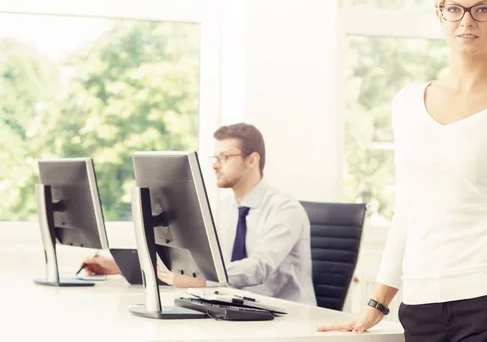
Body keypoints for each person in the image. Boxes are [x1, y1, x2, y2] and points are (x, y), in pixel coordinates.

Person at [318, 0, 487, 341]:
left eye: (482, 9)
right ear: (440, 16)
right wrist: (376, 304)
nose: (466, 20)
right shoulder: (407, 104)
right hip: (420, 311)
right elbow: (409, 211)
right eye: (453, 9)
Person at [82, 123, 317, 305]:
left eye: (224, 157)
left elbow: (258, 268)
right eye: (215, 157)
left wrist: (202, 280)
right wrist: (125, 267)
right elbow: (195, 259)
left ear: (252, 160)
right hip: (235, 309)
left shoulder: (285, 210)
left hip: (287, 316)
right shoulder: (223, 208)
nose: (215, 165)